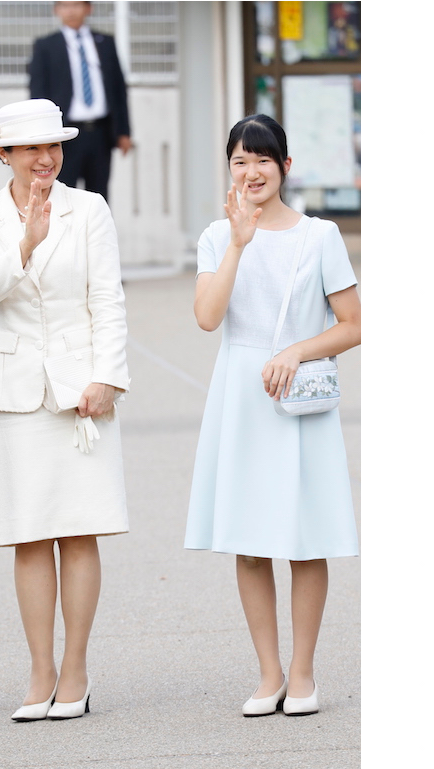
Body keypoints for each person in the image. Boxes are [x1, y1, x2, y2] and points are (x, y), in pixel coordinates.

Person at [0, 99, 130, 721]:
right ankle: (40, 670)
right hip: (13, 389)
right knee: (29, 534)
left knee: (79, 529)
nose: (45, 160)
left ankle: (76, 670)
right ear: (3, 154)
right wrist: (25, 243)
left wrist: (107, 377)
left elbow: (108, 298)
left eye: (53, 147)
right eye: (31, 149)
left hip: (80, 389)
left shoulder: (90, 209)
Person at [185, 114, 360, 717]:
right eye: (240, 161)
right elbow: (208, 317)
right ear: (229, 170)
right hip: (241, 396)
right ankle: (269, 673)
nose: (251, 171)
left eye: (263, 159)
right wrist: (239, 241)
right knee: (250, 542)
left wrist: (295, 349)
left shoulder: (320, 236)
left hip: (299, 400)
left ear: (285, 166)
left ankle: (305, 672)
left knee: (306, 540)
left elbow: (354, 324)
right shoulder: (216, 236)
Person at [29, 1, 131, 201]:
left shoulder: (105, 42)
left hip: (100, 132)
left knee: (99, 195)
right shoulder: (46, 46)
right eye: (65, 5)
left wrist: (124, 131)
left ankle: (95, 233)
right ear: (56, 9)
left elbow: (119, 89)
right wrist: (42, 137)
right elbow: (38, 93)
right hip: (64, 134)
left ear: (88, 8)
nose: (71, 10)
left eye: (76, 4)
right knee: (61, 194)